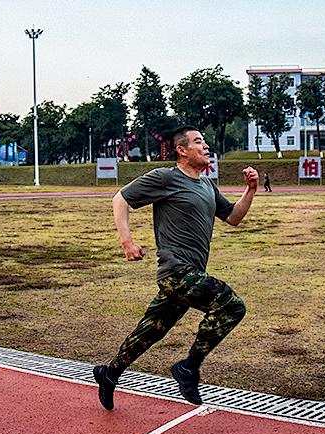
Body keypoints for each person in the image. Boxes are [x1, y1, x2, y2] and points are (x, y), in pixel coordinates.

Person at [93, 126, 259, 410]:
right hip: (178, 273)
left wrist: (251, 189)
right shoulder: (166, 178)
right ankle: (188, 368)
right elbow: (120, 199)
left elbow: (232, 217)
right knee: (231, 306)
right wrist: (127, 242)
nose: (205, 146)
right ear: (182, 150)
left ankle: (110, 373)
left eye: (205, 141)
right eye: (198, 142)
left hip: (189, 275)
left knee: (150, 331)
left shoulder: (207, 185)